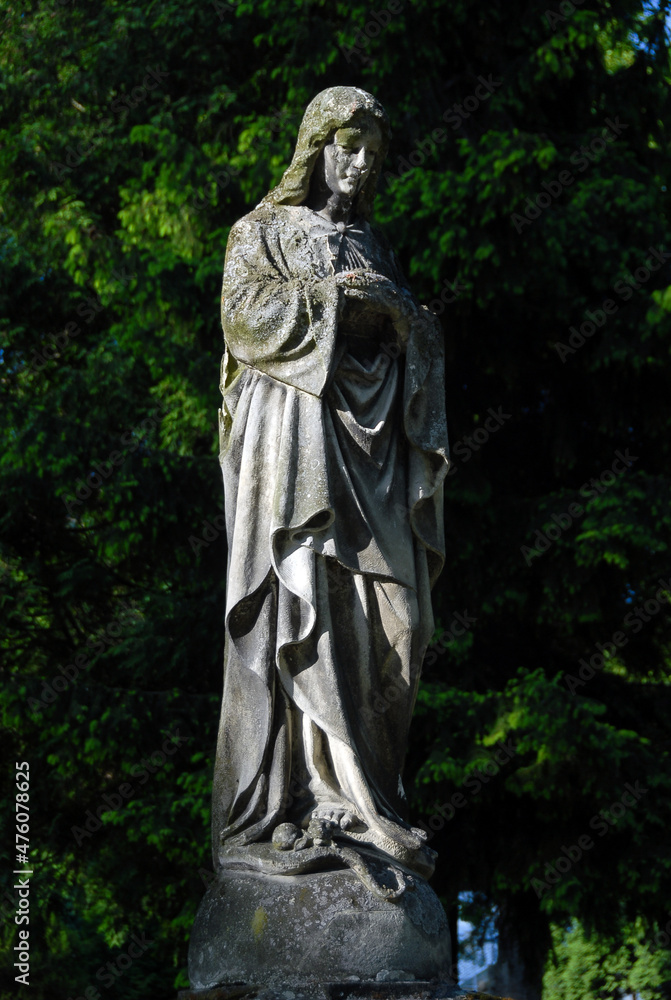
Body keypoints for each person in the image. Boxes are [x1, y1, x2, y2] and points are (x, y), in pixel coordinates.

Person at [212, 86, 448, 881]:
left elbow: (413, 337)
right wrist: (334, 303)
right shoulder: (262, 231)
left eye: (373, 157)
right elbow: (243, 321)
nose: (358, 166)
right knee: (304, 609)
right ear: (316, 146)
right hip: (300, 460)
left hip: (373, 457)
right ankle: (316, 800)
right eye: (348, 147)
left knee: (401, 627)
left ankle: (372, 794)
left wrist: (405, 322)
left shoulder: (372, 244)